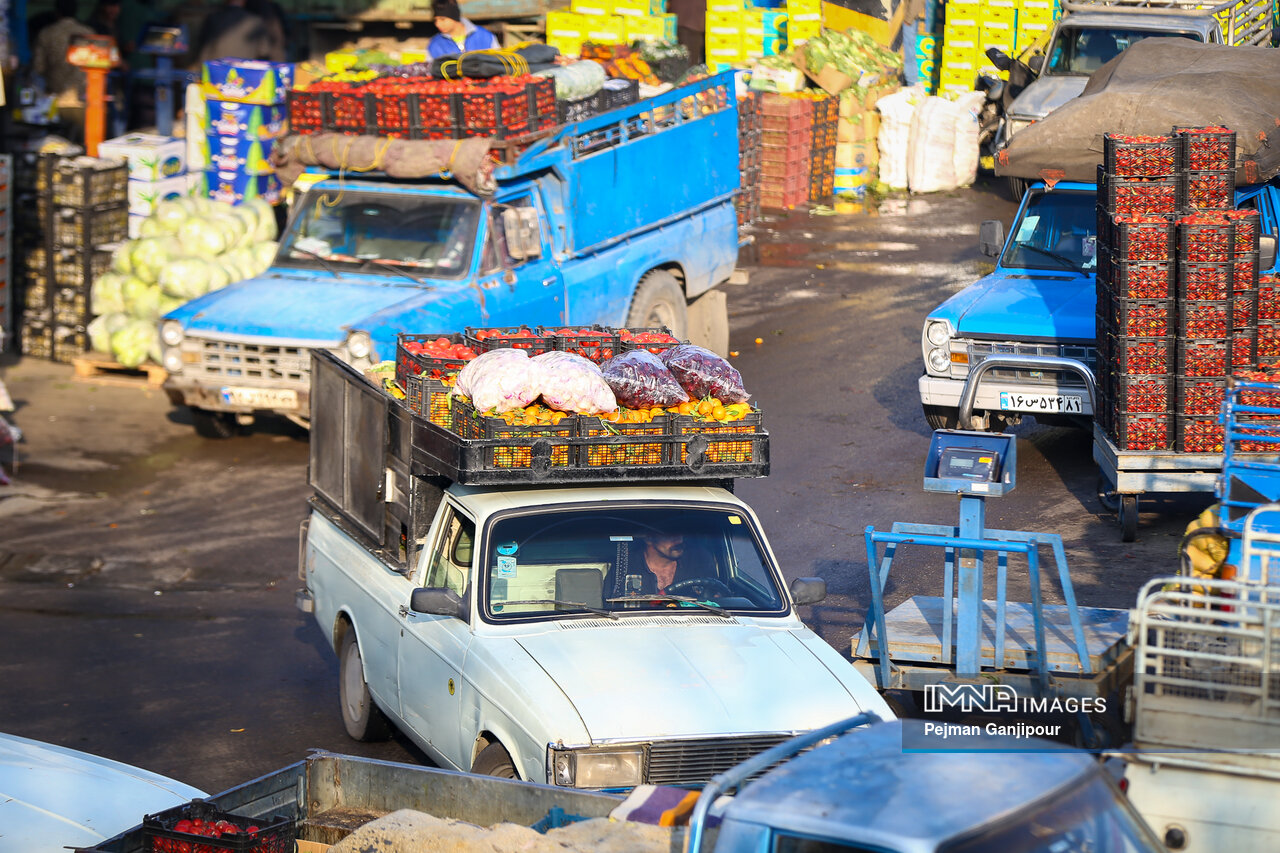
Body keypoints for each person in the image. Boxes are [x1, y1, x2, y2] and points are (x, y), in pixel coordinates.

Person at [31, 0, 94, 107]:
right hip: (83, 98)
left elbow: (38, 68)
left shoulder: (46, 33)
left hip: (55, 98)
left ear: (57, 13)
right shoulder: (89, 34)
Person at [614, 530, 714, 597]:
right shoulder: (625, 565)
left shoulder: (698, 562)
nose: (679, 539)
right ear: (649, 539)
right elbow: (610, 606)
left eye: (680, 533)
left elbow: (717, 599)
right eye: (670, 534)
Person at [427, 0, 499, 60]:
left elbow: (499, 63)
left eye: (442, 19)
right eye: (435, 20)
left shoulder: (485, 36)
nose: (438, 24)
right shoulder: (435, 44)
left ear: (454, 17)